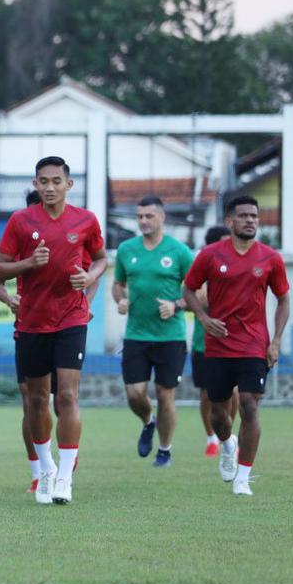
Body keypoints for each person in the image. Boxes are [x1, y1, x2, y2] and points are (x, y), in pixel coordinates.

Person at [0, 156, 106, 505]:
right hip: (31, 321)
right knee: (38, 398)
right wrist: (29, 263)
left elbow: (102, 258)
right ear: (35, 184)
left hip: (71, 318)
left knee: (68, 396)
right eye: (43, 181)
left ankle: (65, 478)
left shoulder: (86, 220)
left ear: (68, 184)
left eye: (56, 181)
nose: (50, 187)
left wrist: (90, 277)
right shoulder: (20, 221)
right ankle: (45, 469)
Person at [183, 196, 290, 497]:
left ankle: (243, 477)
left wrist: (276, 340)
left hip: (255, 345)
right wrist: (203, 319)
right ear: (230, 221)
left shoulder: (271, 258)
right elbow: (188, 289)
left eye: (254, 216)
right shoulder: (210, 255)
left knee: (250, 405)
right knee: (219, 413)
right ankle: (227, 443)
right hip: (217, 346)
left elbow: (283, 299)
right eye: (243, 216)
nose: (250, 220)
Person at [112, 196, 193, 468]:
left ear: (162, 217)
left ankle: (165, 450)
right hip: (136, 334)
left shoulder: (180, 252)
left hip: (171, 336)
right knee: (134, 394)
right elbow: (118, 285)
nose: (144, 221)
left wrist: (177, 304)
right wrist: (121, 300)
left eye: (149, 216)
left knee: (164, 394)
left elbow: (200, 293)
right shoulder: (126, 249)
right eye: (140, 217)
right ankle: (148, 422)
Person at [190, 225, 237, 457]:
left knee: (234, 391)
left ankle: (229, 435)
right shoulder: (202, 266)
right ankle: (211, 439)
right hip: (203, 343)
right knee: (206, 394)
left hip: (235, 341)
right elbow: (196, 296)